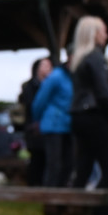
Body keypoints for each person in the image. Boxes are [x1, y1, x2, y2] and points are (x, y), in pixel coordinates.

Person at [68, 16, 108, 215]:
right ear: (94, 34)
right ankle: (97, 213)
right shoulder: (96, 58)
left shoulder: (80, 57)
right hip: (95, 115)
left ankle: (75, 212)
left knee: (84, 168)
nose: (106, 35)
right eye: (103, 31)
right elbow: (103, 93)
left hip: (80, 116)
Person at [32, 53, 74, 187]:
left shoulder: (72, 76)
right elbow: (39, 102)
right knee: (54, 163)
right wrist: (38, 120)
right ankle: (49, 197)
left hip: (68, 125)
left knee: (69, 162)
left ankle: (61, 194)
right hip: (53, 124)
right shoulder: (56, 76)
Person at [18, 57, 52, 186]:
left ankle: (43, 185)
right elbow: (32, 106)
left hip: (47, 128)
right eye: (44, 65)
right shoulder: (30, 86)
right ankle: (33, 186)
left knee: (47, 159)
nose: (48, 68)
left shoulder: (51, 84)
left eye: (49, 66)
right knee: (36, 159)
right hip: (35, 129)